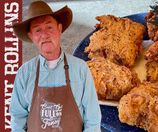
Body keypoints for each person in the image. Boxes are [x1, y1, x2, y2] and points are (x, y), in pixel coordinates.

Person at [10, 1, 101, 132]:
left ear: (59, 28)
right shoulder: (24, 73)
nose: (45, 35)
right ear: (31, 36)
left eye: (49, 27)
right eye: (37, 30)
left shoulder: (80, 68)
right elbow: (17, 119)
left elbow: (92, 119)